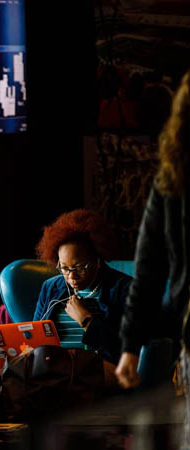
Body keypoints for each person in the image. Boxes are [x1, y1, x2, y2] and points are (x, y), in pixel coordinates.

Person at [116, 70, 190, 389]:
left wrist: (130, 347)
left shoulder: (172, 182)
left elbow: (149, 270)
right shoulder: (171, 185)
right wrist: (131, 345)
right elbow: (150, 269)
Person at [33, 209, 133, 366]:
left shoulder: (125, 290)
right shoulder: (50, 288)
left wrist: (86, 321)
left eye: (80, 267)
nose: (71, 276)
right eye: (64, 268)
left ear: (98, 260)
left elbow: (127, 349)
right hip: (54, 368)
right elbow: (35, 338)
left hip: (102, 367)